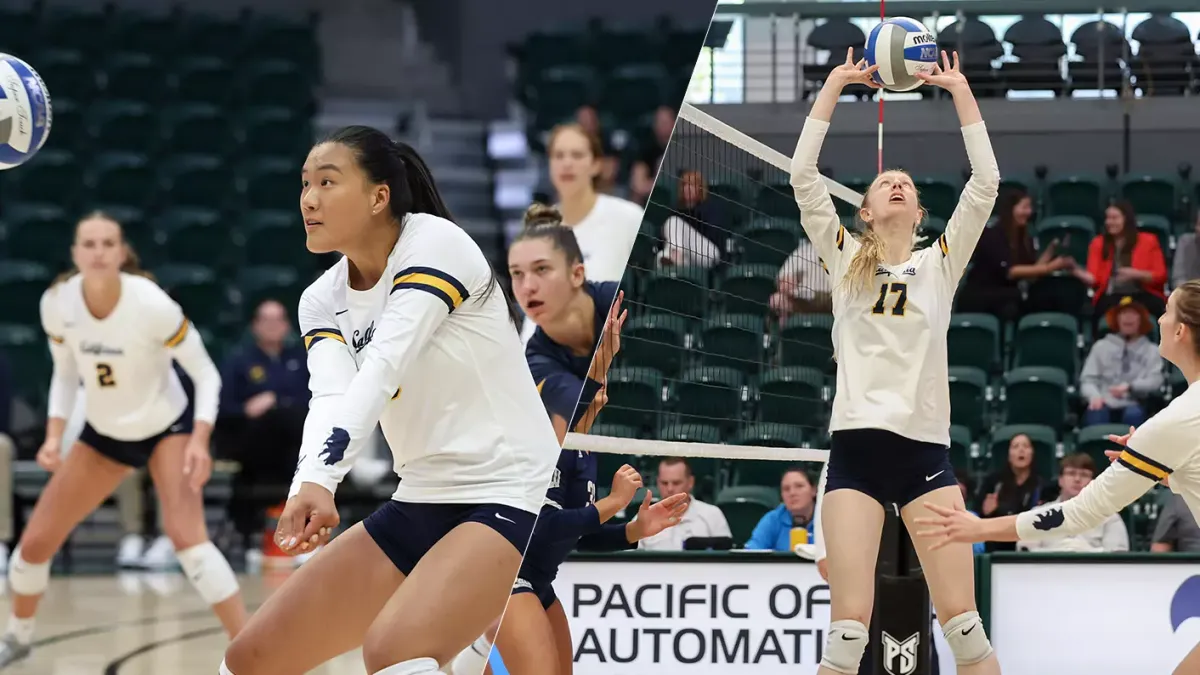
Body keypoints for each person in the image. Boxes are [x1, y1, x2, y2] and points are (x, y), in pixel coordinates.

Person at [219, 126, 560, 675]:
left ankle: (475, 638)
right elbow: (330, 397)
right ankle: (473, 645)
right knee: (249, 660)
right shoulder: (320, 299)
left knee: (395, 653)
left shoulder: (435, 244)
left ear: (379, 197)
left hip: (514, 489)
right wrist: (308, 484)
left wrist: (323, 482)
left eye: (327, 182)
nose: (308, 198)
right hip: (424, 494)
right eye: (305, 184)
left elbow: (380, 371)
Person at [791, 49, 1000, 675]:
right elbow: (803, 175)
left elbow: (985, 184)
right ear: (866, 209)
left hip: (924, 457)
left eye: (905, 182)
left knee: (965, 630)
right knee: (848, 632)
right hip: (855, 454)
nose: (898, 181)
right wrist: (833, 85)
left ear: (918, 211)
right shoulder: (844, 259)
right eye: (886, 181)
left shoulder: (939, 264)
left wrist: (960, 90)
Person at [915, 279, 1200, 675]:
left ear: (1182, 331)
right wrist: (1167, 470)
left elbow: (1077, 515)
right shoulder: (1180, 422)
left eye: (1167, 311)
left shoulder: (1178, 419)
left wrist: (976, 528)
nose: (1160, 319)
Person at [449, 205, 689, 675]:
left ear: (577, 273)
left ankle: (467, 660)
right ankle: (468, 652)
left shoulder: (583, 446)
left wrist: (635, 530)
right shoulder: (537, 377)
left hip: (540, 578)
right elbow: (541, 527)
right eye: (517, 275)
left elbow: (579, 535)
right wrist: (614, 502)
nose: (527, 286)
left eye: (540, 270)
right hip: (502, 573)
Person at [0, 212, 247, 667]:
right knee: (34, 545)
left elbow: (206, 374)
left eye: (107, 243)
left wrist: (198, 439)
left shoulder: (151, 304)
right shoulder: (57, 303)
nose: (97, 252)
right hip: (104, 431)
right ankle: (17, 636)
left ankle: (251, 645)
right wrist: (54, 435)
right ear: (75, 253)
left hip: (166, 427)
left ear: (121, 252)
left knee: (187, 539)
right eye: (88, 244)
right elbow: (65, 372)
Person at [1080, 295, 1163, 428]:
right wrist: (1094, 396)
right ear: (1116, 319)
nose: (1128, 317)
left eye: (1133, 314)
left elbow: (1156, 381)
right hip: (1103, 399)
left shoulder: (1152, 350)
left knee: (1134, 415)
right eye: (1123, 313)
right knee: (1096, 414)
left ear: (1141, 320)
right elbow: (1088, 379)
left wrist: (1131, 387)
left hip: (1135, 402)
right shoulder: (1101, 346)